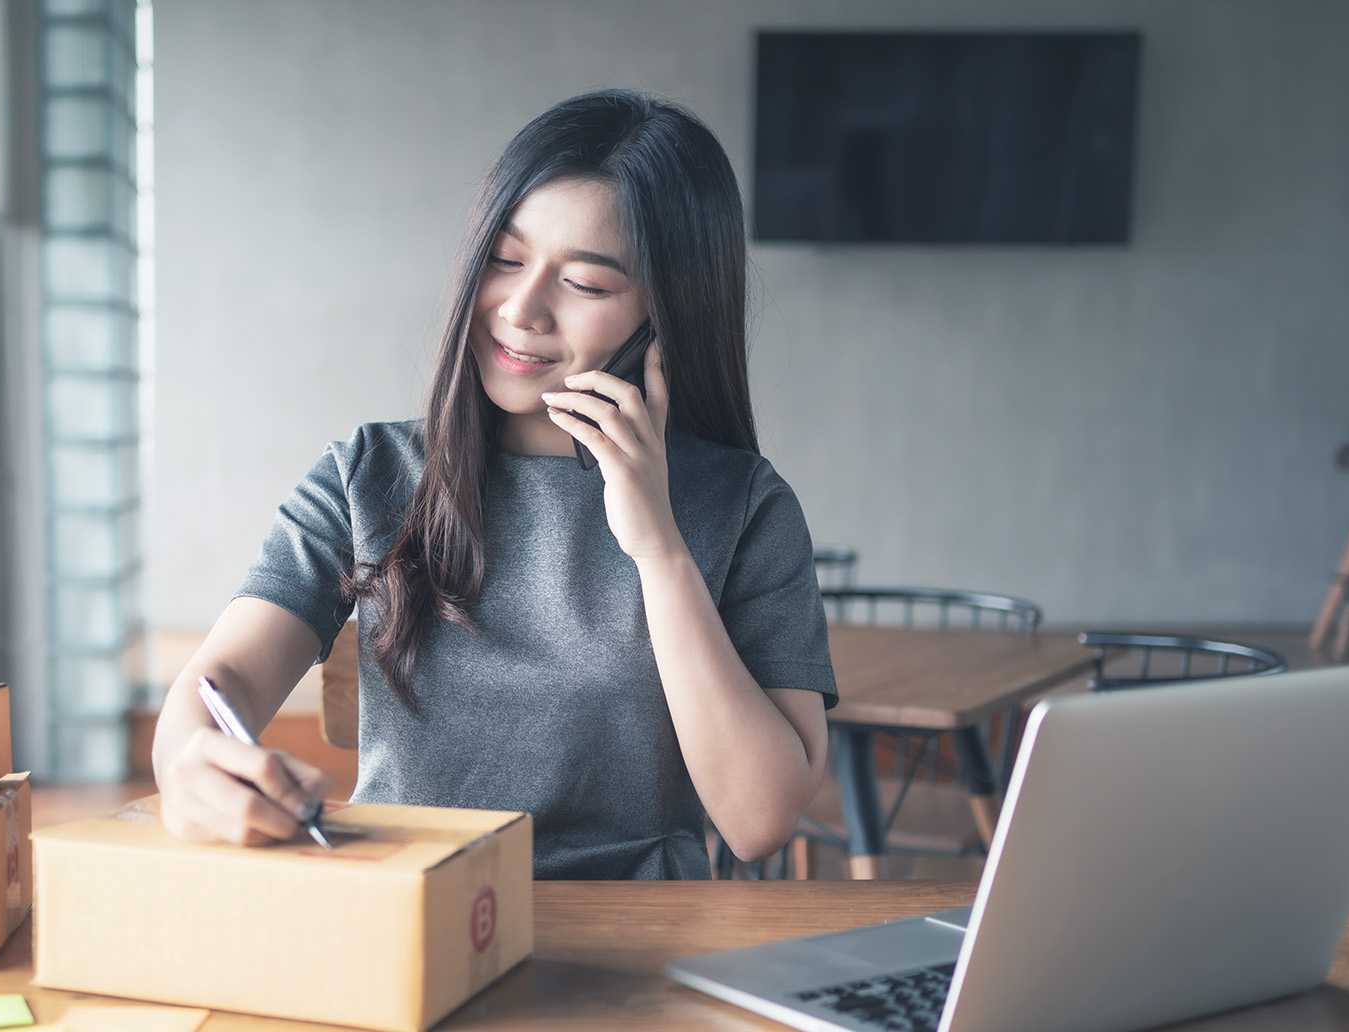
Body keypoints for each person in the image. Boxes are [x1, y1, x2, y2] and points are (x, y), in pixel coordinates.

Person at [151, 88, 836, 879]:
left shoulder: (745, 506)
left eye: (585, 284)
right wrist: (187, 764)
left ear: (665, 315)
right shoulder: (366, 476)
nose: (521, 308)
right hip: (413, 921)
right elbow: (222, 681)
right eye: (505, 261)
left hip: (634, 939)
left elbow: (758, 821)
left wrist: (659, 549)